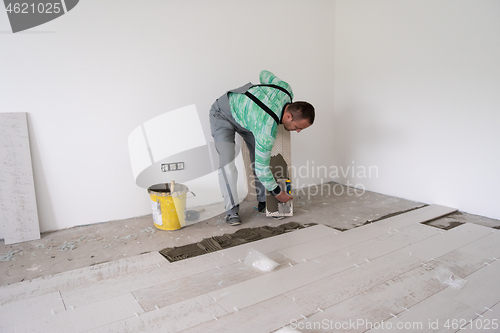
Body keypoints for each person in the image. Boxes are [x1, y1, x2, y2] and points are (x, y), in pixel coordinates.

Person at [209, 70, 315, 225]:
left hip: (250, 119)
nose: (297, 131)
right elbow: (262, 169)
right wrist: (278, 193)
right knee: (227, 164)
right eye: (298, 127)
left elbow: (264, 73)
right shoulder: (266, 129)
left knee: (258, 157)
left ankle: (263, 202)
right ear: (288, 116)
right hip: (223, 114)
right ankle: (231, 212)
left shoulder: (285, 89)